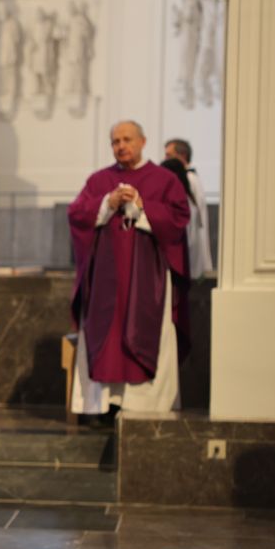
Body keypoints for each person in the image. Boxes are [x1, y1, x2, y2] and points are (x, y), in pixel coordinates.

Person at [68, 121, 191, 419]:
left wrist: (142, 205)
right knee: (106, 337)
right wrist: (106, 203)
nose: (120, 146)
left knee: (143, 332)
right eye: (115, 141)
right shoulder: (100, 180)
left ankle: (144, 405)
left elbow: (179, 219)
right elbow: (77, 214)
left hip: (149, 280)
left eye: (126, 140)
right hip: (105, 282)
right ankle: (103, 405)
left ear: (143, 141)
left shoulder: (163, 180)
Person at [164, 138, 214, 276]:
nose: (166, 159)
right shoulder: (192, 178)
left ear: (182, 155)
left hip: (190, 241)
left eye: (169, 155)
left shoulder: (188, 179)